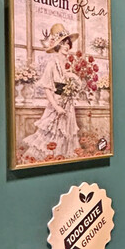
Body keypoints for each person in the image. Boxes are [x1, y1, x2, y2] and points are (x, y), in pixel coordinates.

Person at [19, 22, 80, 161]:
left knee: (67, 136)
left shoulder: (69, 64)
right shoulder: (52, 64)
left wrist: (73, 76)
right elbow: (47, 88)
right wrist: (57, 107)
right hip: (56, 104)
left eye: (68, 43)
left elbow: (74, 83)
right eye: (63, 43)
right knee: (51, 135)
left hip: (69, 105)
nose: (66, 46)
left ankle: (63, 159)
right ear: (57, 45)